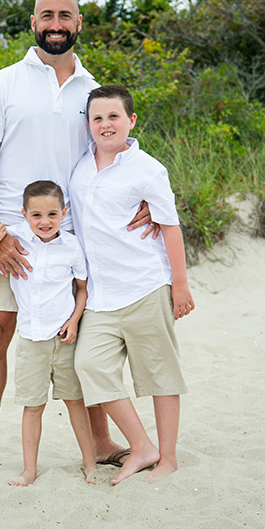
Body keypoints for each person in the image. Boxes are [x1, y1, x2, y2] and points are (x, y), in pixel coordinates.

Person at [0, 0, 152, 487]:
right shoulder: (3, 83)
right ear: (33, 22)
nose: (55, 23)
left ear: (79, 22)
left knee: (82, 336)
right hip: (9, 234)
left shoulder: (94, 89)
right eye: (46, 15)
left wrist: (146, 197)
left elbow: (116, 149)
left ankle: (102, 443)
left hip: (76, 238)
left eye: (65, 15)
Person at [69, 84, 195, 486]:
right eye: (97, 118)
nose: (106, 124)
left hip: (145, 285)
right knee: (89, 365)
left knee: (160, 374)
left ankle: (169, 458)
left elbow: (170, 227)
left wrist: (180, 285)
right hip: (100, 296)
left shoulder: (148, 169)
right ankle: (141, 446)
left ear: (131, 121)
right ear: (88, 125)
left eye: (114, 117)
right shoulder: (80, 166)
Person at [0, 181, 97, 487]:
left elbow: (82, 289)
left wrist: (75, 320)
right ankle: (29, 470)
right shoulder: (15, 241)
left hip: (63, 339)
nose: (45, 221)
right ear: (25, 215)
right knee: (33, 406)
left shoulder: (71, 246)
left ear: (64, 213)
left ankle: (91, 464)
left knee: (75, 401)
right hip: (30, 341)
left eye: (52, 214)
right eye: (37, 215)